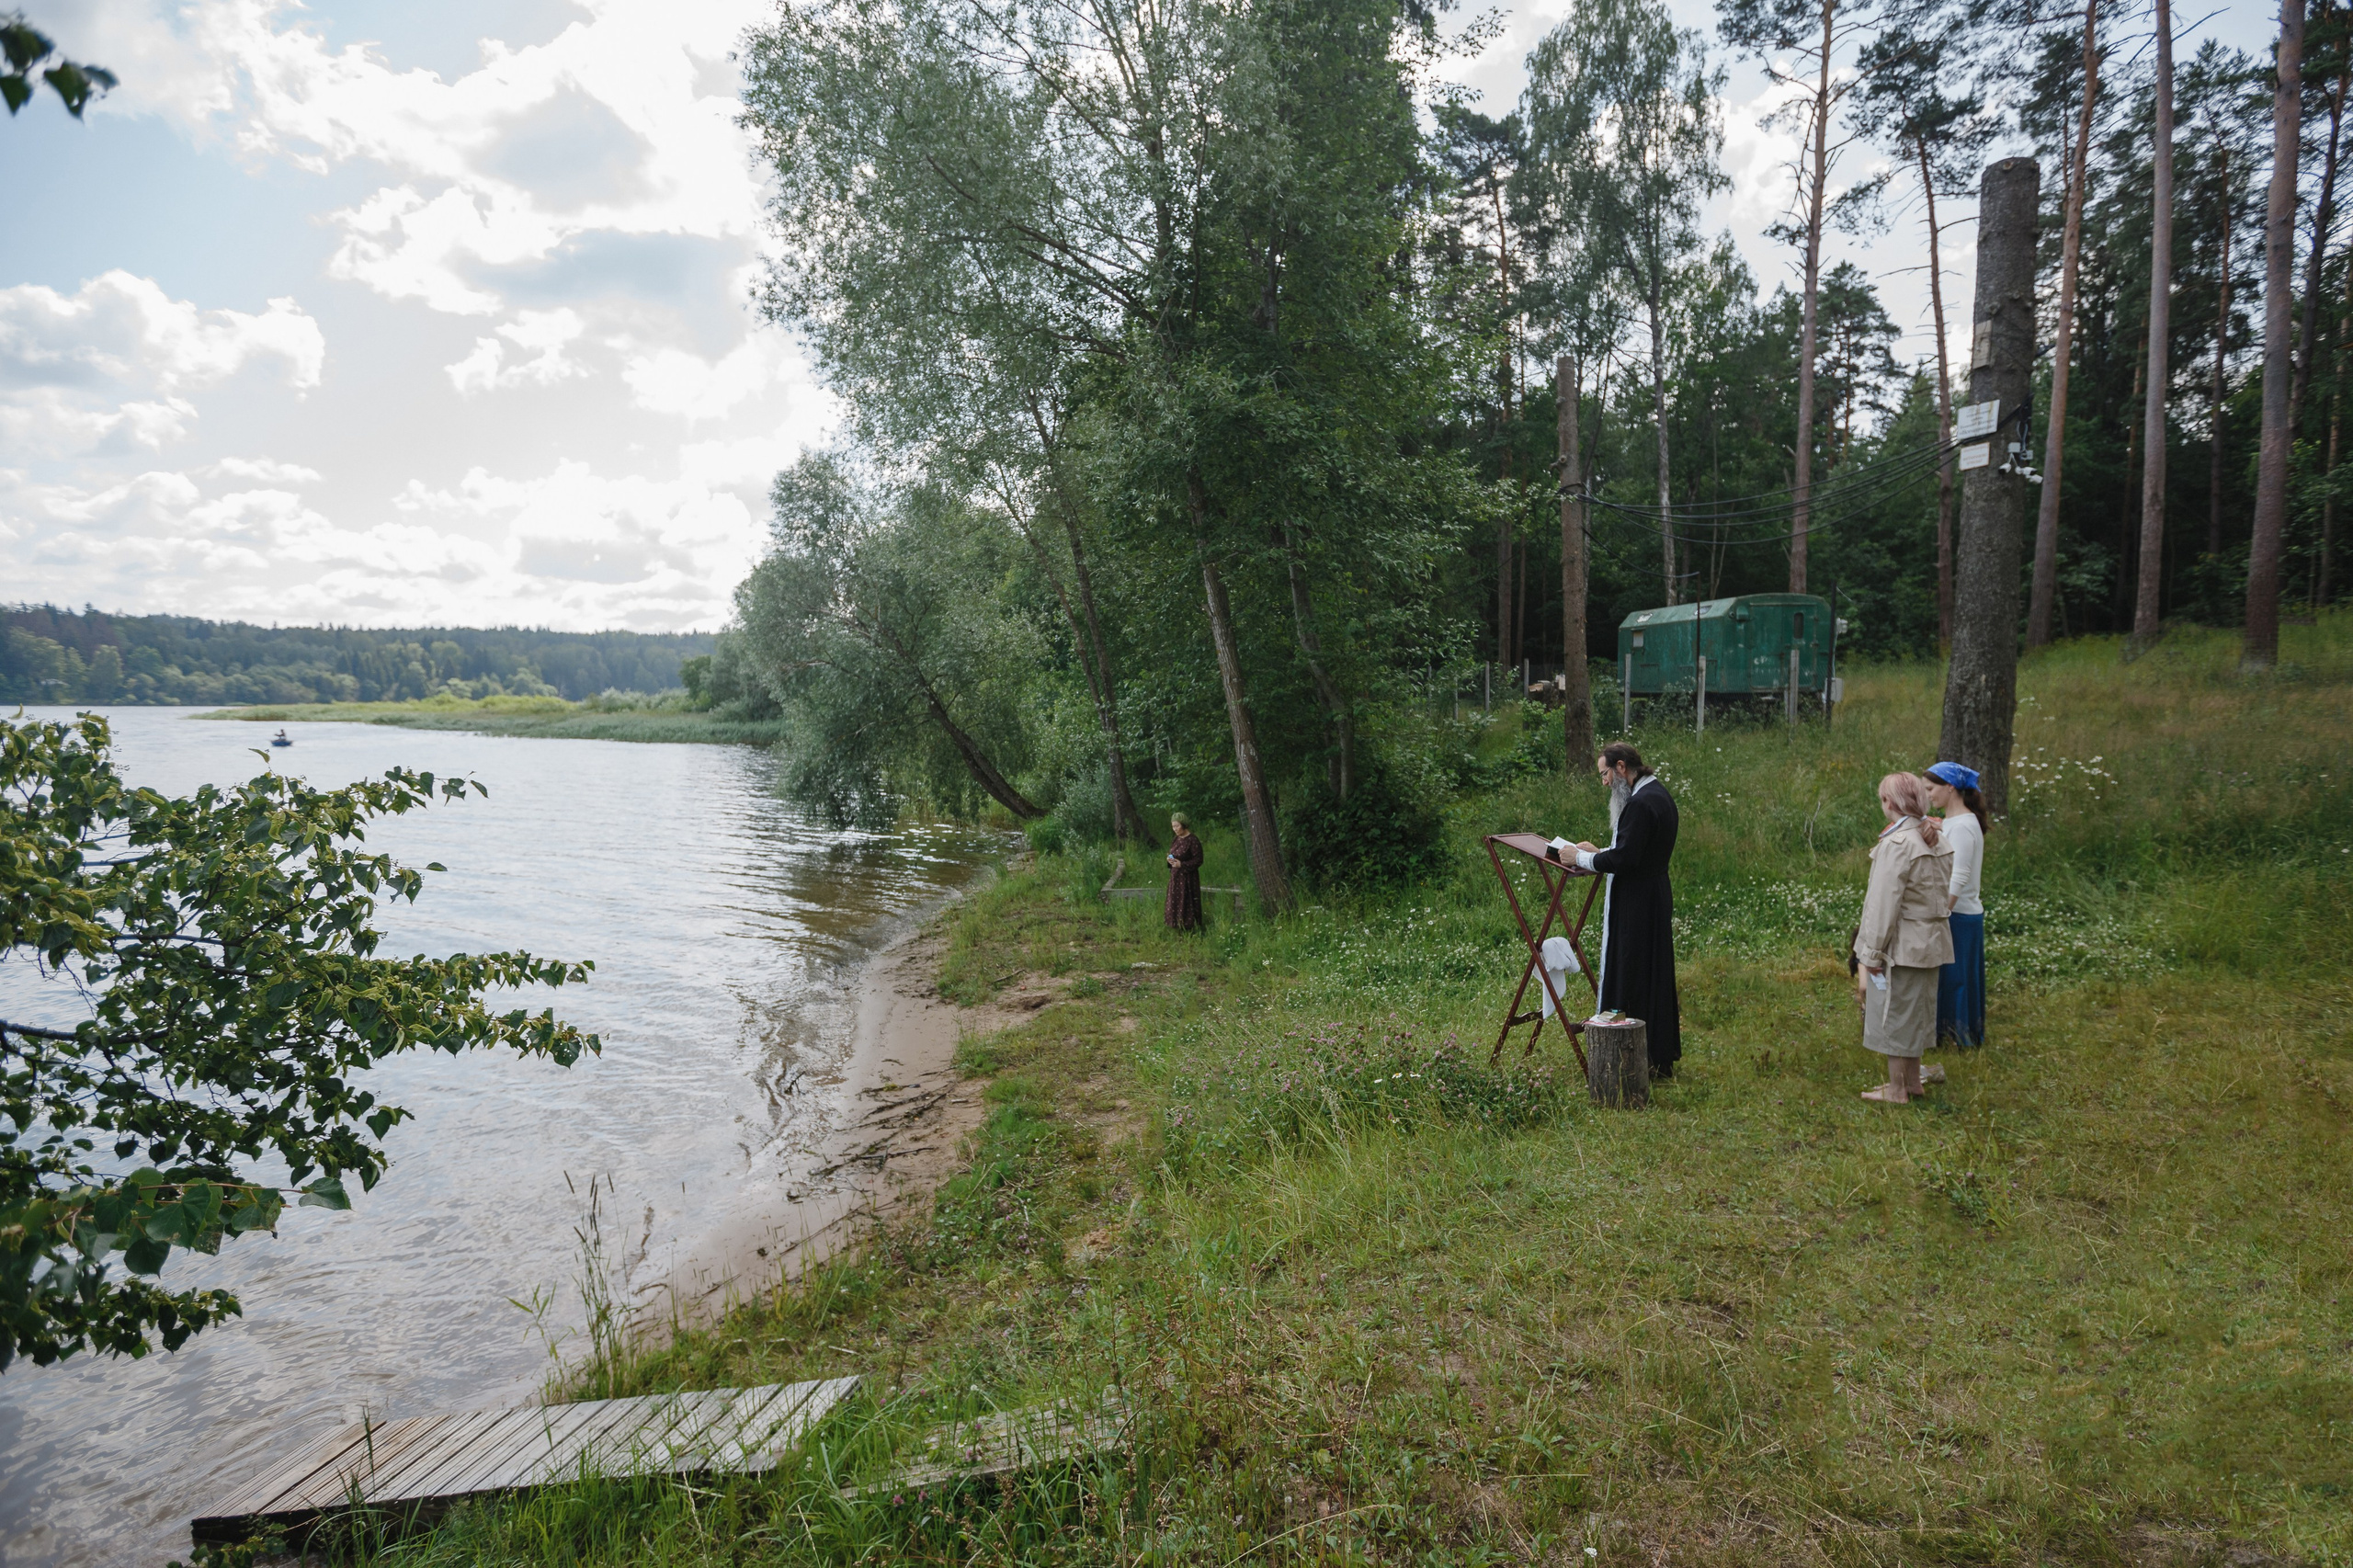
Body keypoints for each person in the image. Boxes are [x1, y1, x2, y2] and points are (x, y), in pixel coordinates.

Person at [1570, 742, 1681, 1077]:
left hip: (1637, 901)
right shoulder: (1657, 794)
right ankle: (1655, 1055)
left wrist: (1580, 858)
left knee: (1632, 971)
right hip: (1651, 894)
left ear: (1621, 768)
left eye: (1605, 773)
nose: (1603, 782)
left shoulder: (1641, 804)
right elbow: (1635, 849)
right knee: (1652, 974)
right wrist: (1603, 849)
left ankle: (1629, 1058)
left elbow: (1625, 859)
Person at [1853, 772, 1953, 1104]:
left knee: (1896, 1013)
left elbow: (1882, 906)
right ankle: (1912, 1081)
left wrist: (1871, 953)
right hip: (1932, 942)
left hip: (1904, 946)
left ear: (1889, 803)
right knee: (1917, 1012)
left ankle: (1897, 1089)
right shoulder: (1935, 838)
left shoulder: (1898, 845)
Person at [1923, 761, 1988, 1051]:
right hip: (1955, 913)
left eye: (1931, 788)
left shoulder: (1963, 825)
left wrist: (1941, 914)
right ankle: (1946, 1032)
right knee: (1947, 977)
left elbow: (1959, 875)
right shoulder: (1955, 822)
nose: (1928, 795)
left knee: (1957, 978)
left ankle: (1959, 1036)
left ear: (1950, 788)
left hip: (1958, 914)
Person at [1165, 813, 1203, 932]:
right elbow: (1172, 853)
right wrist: (1169, 860)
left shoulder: (1193, 840)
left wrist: (1182, 865)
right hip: (1176, 877)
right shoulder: (1176, 839)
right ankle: (1176, 924)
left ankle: (1190, 927)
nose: (1175, 829)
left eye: (1177, 826)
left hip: (1188, 878)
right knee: (1175, 900)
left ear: (1183, 825)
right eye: (1173, 826)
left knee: (1187, 900)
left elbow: (1199, 860)